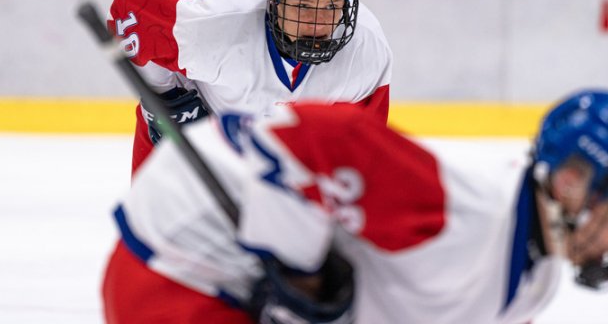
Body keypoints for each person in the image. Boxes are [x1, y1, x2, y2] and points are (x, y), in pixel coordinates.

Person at [102, 89, 608, 323]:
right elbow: (315, 137)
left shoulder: (534, 283)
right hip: (184, 255)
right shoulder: (460, 206)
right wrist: (297, 270)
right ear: (570, 182)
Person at [107, 0, 393, 175]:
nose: (318, 23)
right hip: (196, 143)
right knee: (155, 232)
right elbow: (131, 9)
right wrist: (168, 100)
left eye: (331, 6)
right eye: (304, 6)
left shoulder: (365, 48)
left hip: (284, 162)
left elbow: (362, 151)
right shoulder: (217, 23)